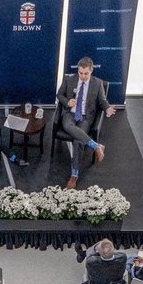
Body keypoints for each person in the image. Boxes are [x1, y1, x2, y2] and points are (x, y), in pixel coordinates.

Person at [56, 56, 116, 188]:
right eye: (80, 73)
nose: (83, 76)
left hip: (85, 117)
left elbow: (102, 101)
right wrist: (67, 102)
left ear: (91, 71)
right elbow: (59, 95)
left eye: (86, 73)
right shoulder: (69, 79)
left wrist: (107, 108)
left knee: (78, 141)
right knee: (67, 125)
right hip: (70, 113)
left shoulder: (97, 83)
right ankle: (96, 146)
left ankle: (74, 175)